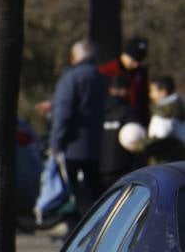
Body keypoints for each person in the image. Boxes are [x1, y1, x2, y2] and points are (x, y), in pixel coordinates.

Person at [49, 39, 107, 221]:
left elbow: (63, 113)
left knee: (74, 193)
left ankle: (76, 230)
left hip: (73, 145)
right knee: (94, 189)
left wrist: (55, 142)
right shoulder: (101, 77)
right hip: (95, 144)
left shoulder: (72, 78)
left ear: (75, 57)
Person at [99, 38, 150, 186]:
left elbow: (143, 100)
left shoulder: (140, 72)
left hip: (134, 125)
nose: (136, 63)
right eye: (133, 59)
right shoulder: (107, 71)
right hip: (112, 126)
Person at [146, 75, 185, 163]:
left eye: (152, 91)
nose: (150, 95)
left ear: (163, 92)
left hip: (166, 163)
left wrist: (139, 145)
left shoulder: (165, 114)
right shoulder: (176, 107)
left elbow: (159, 141)